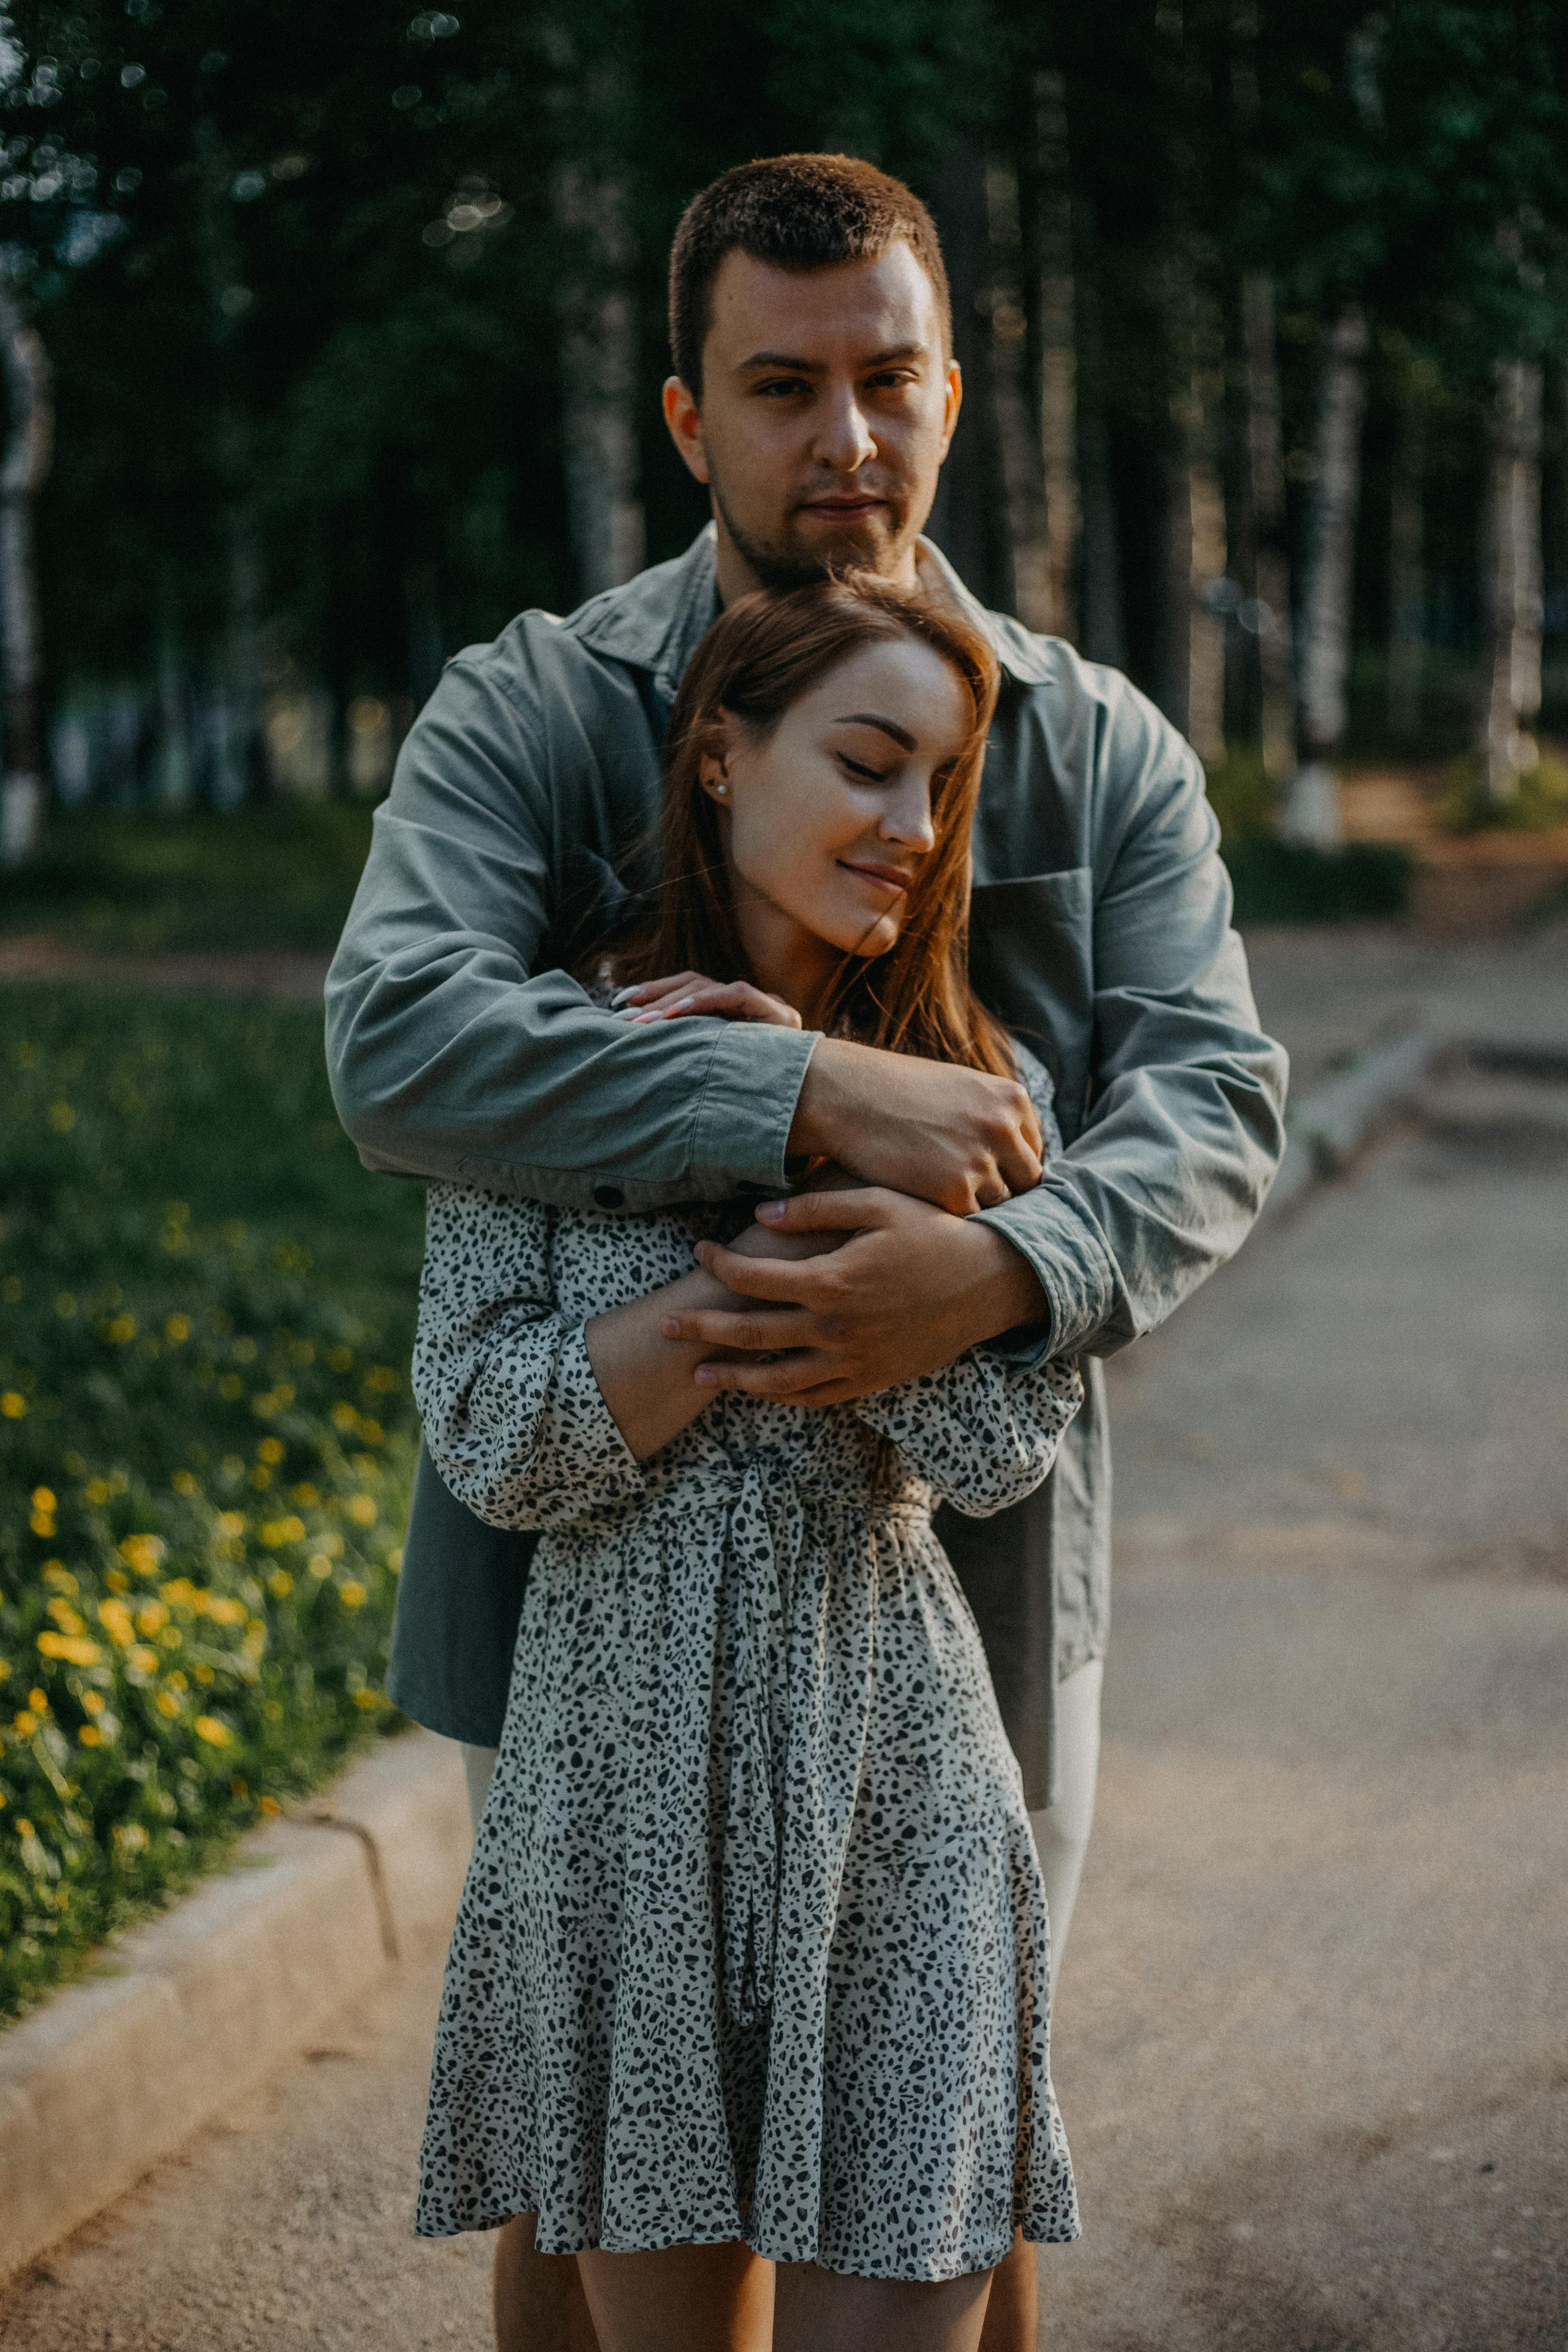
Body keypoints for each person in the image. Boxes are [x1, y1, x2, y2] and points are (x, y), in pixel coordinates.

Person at [325, 153, 1287, 2352]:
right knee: (618, 2159)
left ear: (957, 391)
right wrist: (797, 1097)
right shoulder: (543, 708)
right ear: (688, 419)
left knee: (940, 2139)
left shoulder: (1095, 744)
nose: (845, 443)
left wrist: (1009, 1268)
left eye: (889, 381)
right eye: (782, 388)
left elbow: (1218, 1101)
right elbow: (395, 1043)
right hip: (594, 1589)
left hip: (968, 1573)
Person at [415, 573, 1085, 2352]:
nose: (911, 830)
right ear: (720, 754)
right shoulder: (551, 1056)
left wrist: (807, 1089)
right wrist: (763, 1280)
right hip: (619, 1795)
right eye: (870, 765)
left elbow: (1003, 1442)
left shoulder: (968, 1085)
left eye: (940, 788)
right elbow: (490, 1435)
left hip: (897, 1782)